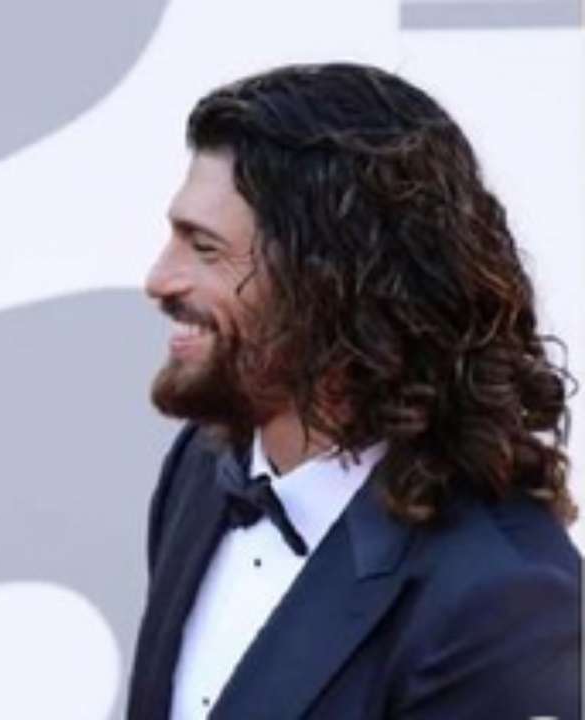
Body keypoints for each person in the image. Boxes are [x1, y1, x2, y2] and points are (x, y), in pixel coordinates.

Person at [127, 63, 581, 719]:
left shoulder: (501, 601)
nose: (159, 278)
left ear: (331, 285)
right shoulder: (201, 468)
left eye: (205, 249)